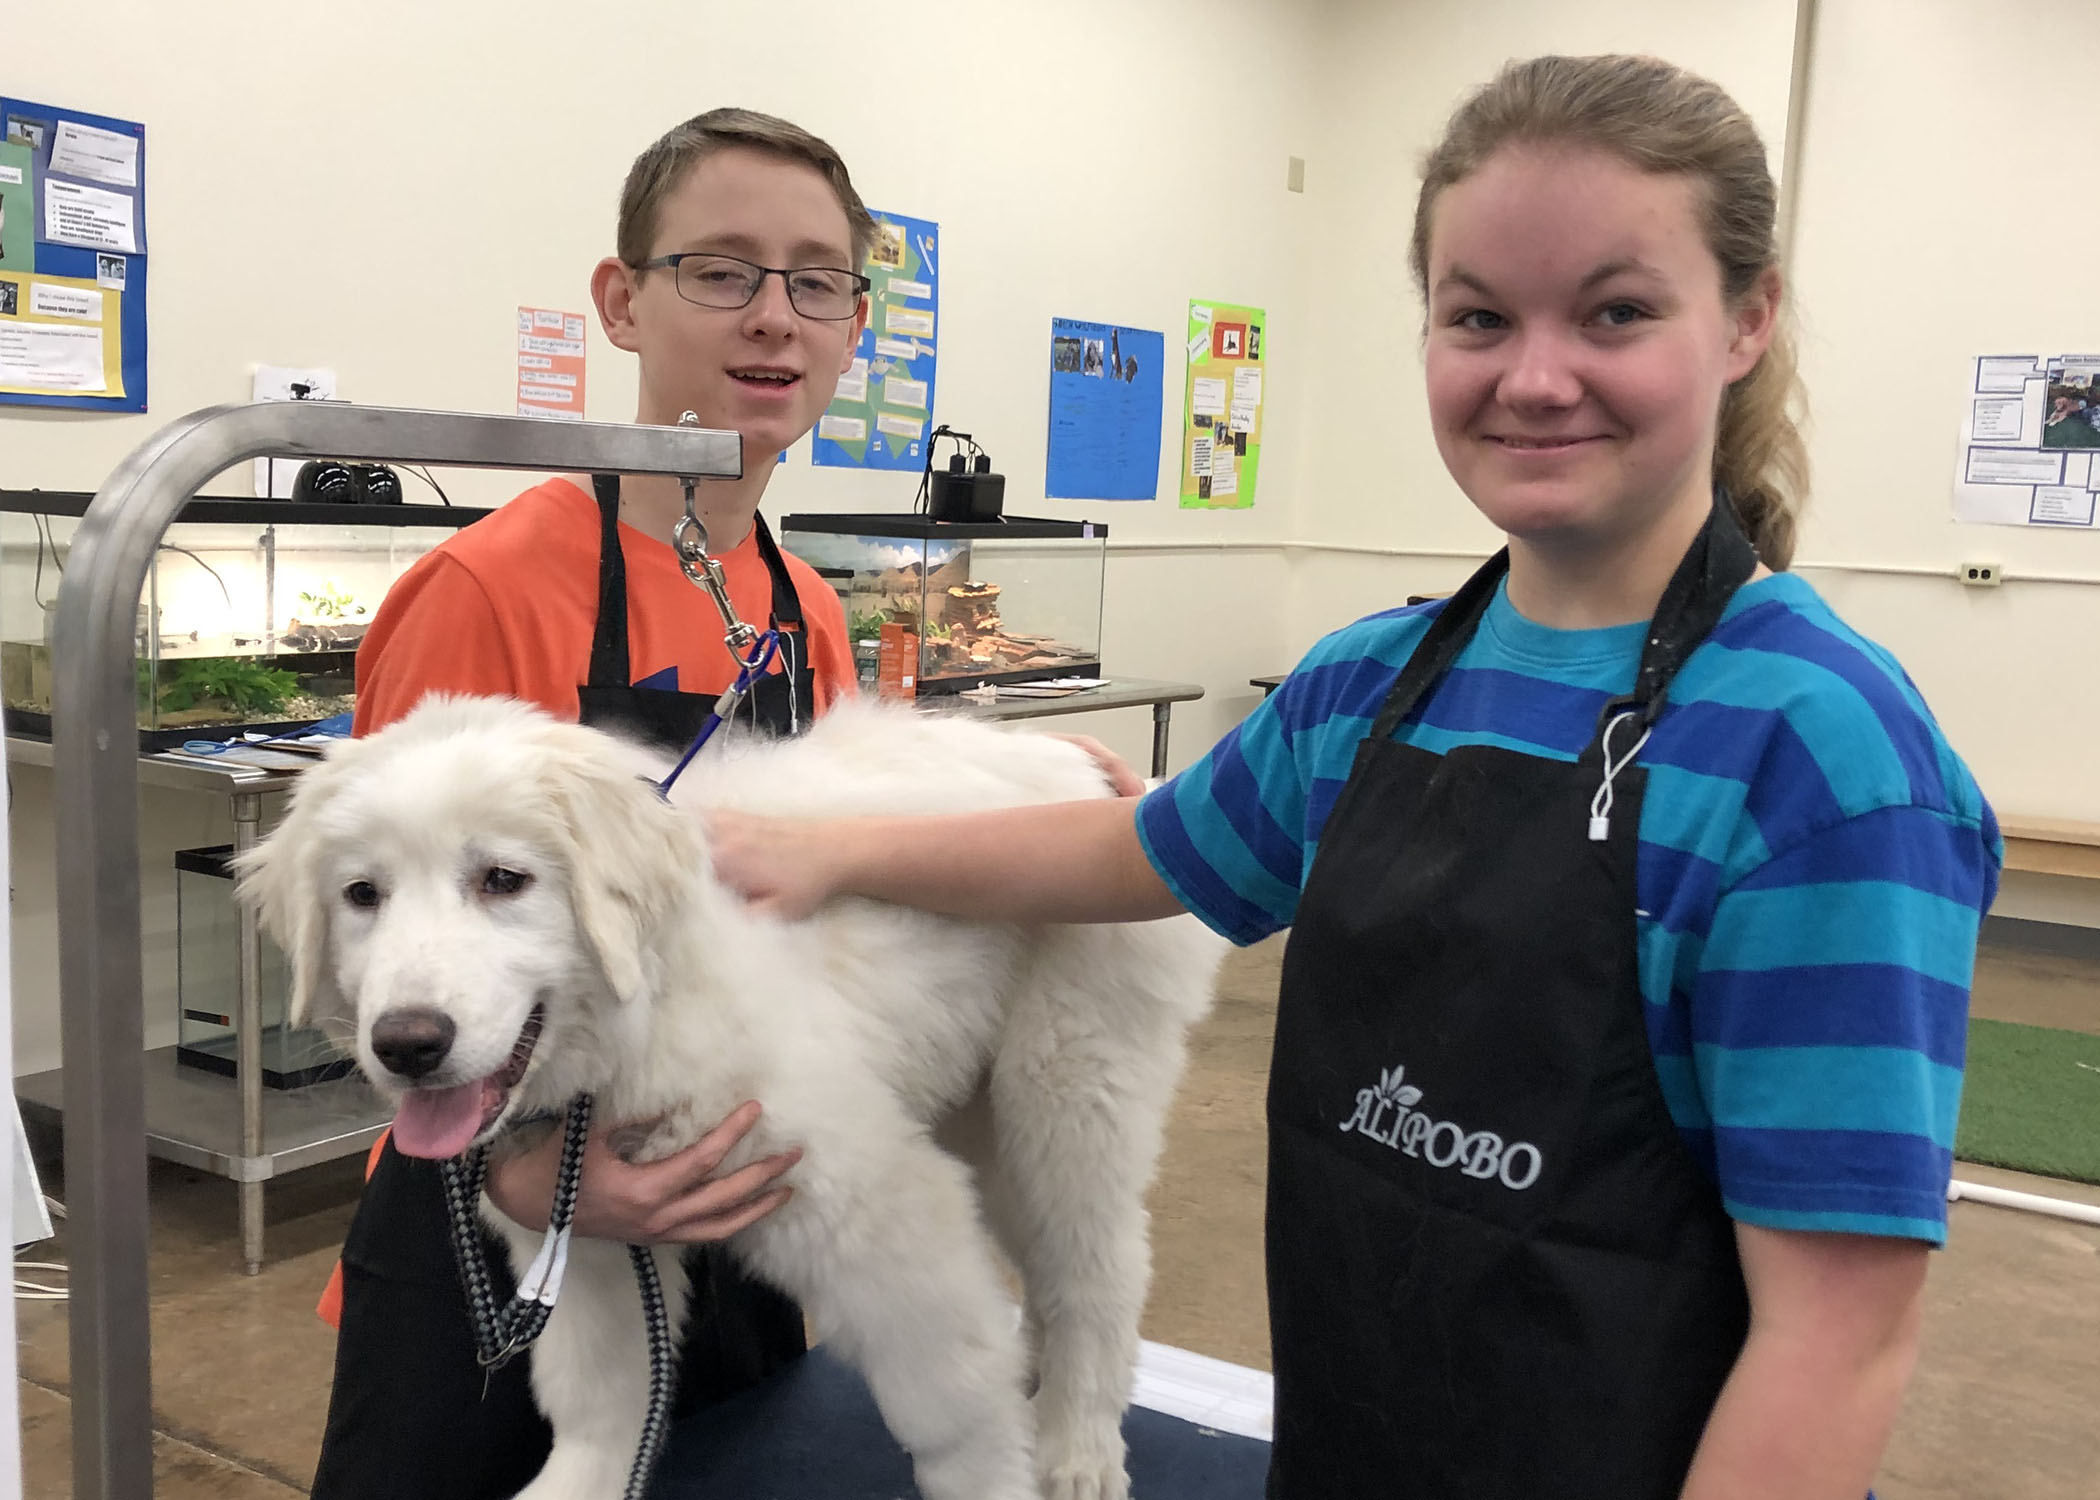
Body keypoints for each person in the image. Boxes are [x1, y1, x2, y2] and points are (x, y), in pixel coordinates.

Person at [707, 56, 2003, 1500]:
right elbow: (1146, 855)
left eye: (1618, 312)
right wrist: (838, 851)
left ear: (1747, 319)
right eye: (1479, 318)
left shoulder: (1817, 753)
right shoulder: (1367, 688)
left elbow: (1839, 1341)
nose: (1535, 375)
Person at [310, 107, 878, 1500]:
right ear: (623, 300)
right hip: (491, 1243)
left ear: (854, 324)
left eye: (818, 280)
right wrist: (533, 1184)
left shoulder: (803, 613)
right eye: (724, 270)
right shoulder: (489, 593)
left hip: (725, 1218)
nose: (775, 319)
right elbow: (400, 972)